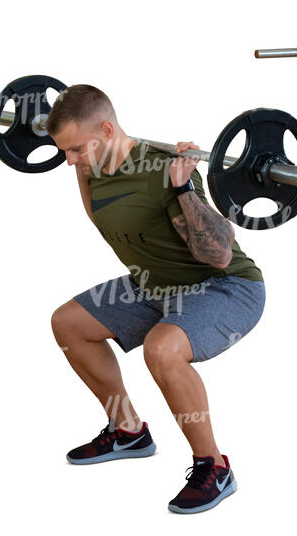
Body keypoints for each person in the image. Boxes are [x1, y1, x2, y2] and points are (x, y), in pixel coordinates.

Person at [46, 84, 265, 514]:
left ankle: (214, 467)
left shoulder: (165, 169)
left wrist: (184, 189)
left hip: (227, 287)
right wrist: (79, 163)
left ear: (106, 130)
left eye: (73, 149)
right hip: (155, 284)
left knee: (161, 349)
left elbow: (220, 255)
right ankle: (128, 430)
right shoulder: (94, 166)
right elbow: (99, 217)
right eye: (64, 151)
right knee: (68, 323)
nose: (68, 160)